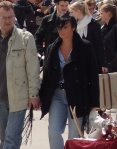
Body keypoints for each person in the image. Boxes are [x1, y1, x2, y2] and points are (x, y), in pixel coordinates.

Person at [0, 1, 41, 149]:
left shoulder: (26, 38)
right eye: (4, 17)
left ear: (15, 18)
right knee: (4, 139)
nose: (8, 20)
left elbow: (33, 69)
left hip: (18, 97)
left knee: (11, 140)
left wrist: (34, 94)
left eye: (10, 17)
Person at [39, 14, 100, 149]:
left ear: (73, 28)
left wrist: (94, 103)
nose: (61, 30)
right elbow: (47, 76)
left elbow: (93, 76)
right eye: (59, 27)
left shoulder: (85, 47)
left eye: (65, 27)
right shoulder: (52, 48)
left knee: (75, 134)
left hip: (78, 95)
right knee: (53, 131)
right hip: (57, 95)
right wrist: (40, 97)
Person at [67, 1, 106, 72]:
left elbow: (99, 45)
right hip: (78, 60)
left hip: (92, 60)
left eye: (72, 12)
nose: (70, 15)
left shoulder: (93, 24)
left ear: (78, 11)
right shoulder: (74, 25)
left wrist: (103, 63)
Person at [99, 3, 117, 73]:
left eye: (102, 13)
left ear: (108, 13)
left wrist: (112, 64)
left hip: (115, 67)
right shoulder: (103, 28)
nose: (100, 15)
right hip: (105, 65)